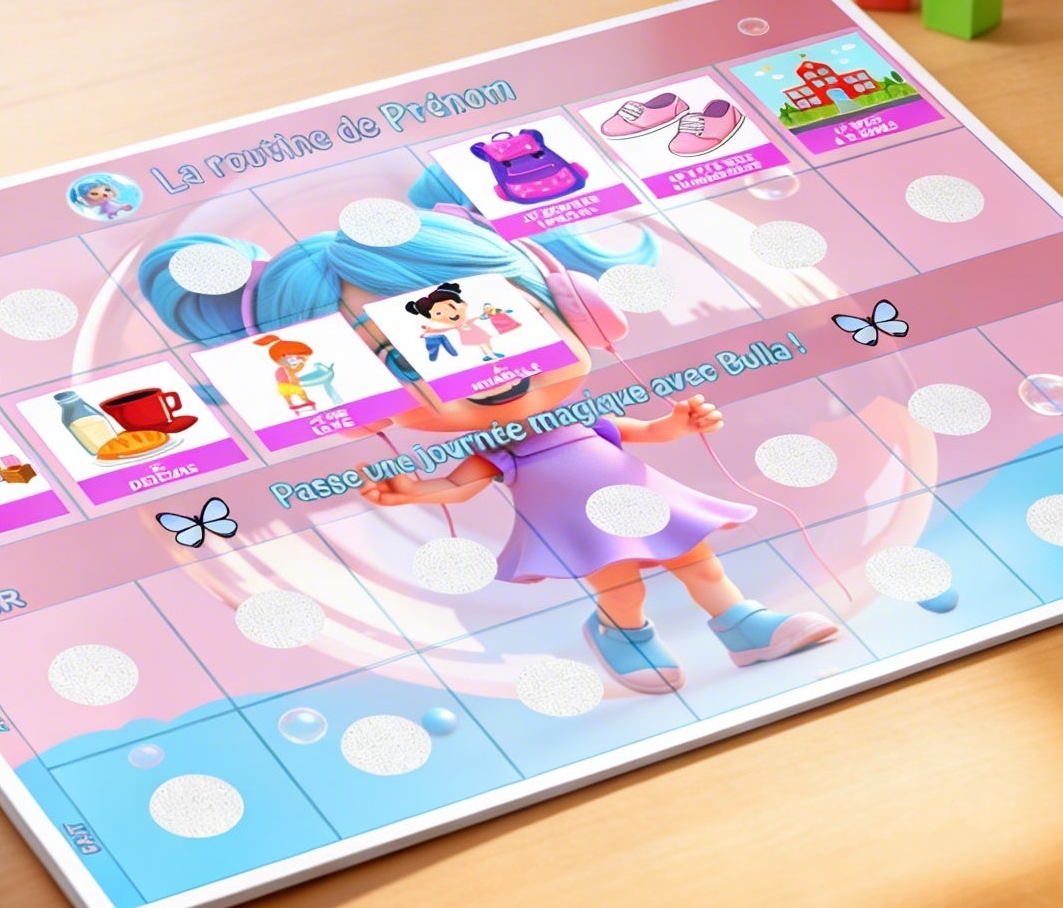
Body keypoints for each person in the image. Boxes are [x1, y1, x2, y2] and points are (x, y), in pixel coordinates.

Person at [141, 182, 836, 694]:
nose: (475, 368)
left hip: (644, 497)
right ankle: (622, 633)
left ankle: (743, 624)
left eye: (502, 318)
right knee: (622, 586)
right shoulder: (499, 451)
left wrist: (680, 425)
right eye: (405, 361)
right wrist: (415, 491)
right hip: (578, 524)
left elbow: (639, 432)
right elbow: (463, 484)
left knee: (698, 560)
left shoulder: (578, 420)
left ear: (574, 311)